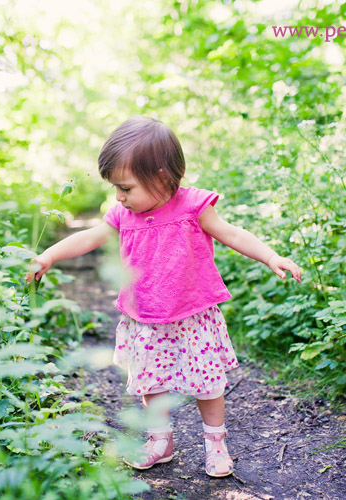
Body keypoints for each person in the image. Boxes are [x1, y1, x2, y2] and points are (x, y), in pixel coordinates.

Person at [25, 116, 302, 478]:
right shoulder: (123, 214)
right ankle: (160, 440)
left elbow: (232, 234)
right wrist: (48, 256)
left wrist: (271, 256)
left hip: (193, 314)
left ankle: (215, 442)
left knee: (208, 383)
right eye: (115, 189)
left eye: (126, 187)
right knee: (151, 381)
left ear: (161, 177)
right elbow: (90, 237)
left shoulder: (194, 206)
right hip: (145, 316)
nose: (119, 196)